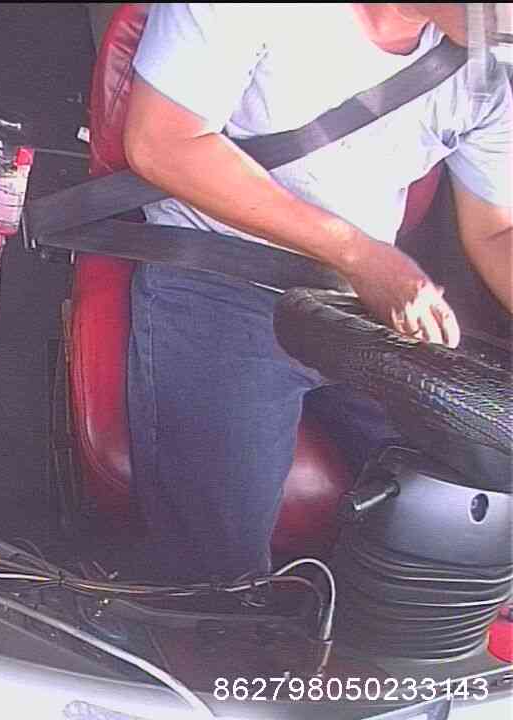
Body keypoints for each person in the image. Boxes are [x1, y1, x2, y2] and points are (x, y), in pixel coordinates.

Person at [121, 3, 512, 583]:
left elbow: (497, 231)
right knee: (219, 565)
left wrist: (366, 267)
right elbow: (162, 142)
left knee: (474, 502)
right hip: (221, 276)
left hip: (359, 306)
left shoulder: (486, 70)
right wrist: (359, 255)